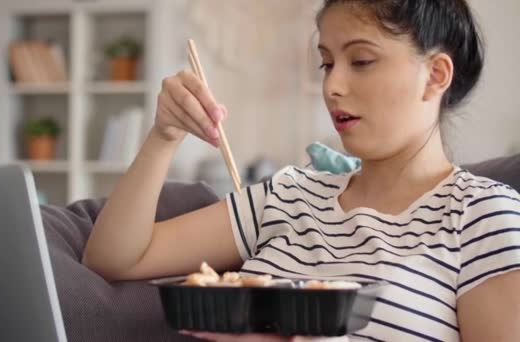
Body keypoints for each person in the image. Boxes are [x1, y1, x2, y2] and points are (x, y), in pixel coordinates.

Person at [82, 0, 520, 341]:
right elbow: (115, 258)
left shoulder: (482, 215)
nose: (332, 86)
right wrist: (164, 135)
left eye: (361, 61)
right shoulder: (289, 194)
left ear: (435, 75)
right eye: (327, 62)